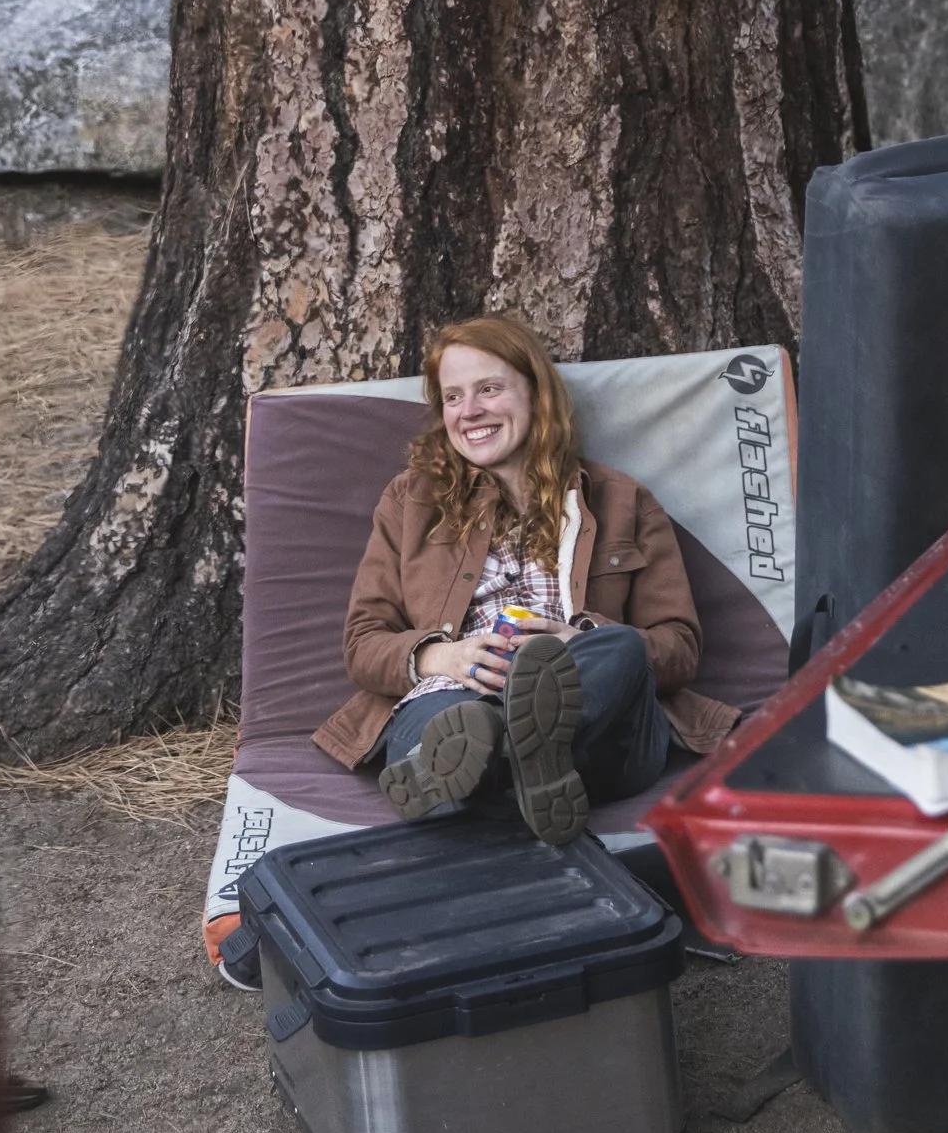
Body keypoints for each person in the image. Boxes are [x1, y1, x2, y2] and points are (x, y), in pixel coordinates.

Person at [313, 314, 738, 846]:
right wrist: (440, 657)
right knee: (453, 725)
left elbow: (678, 648)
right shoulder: (411, 501)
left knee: (621, 649)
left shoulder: (622, 501)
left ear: (537, 394)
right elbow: (363, 642)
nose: (470, 412)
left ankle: (488, 767)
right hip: (455, 697)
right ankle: (511, 767)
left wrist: (578, 640)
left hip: (598, 721)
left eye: (490, 389)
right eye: (453, 397)